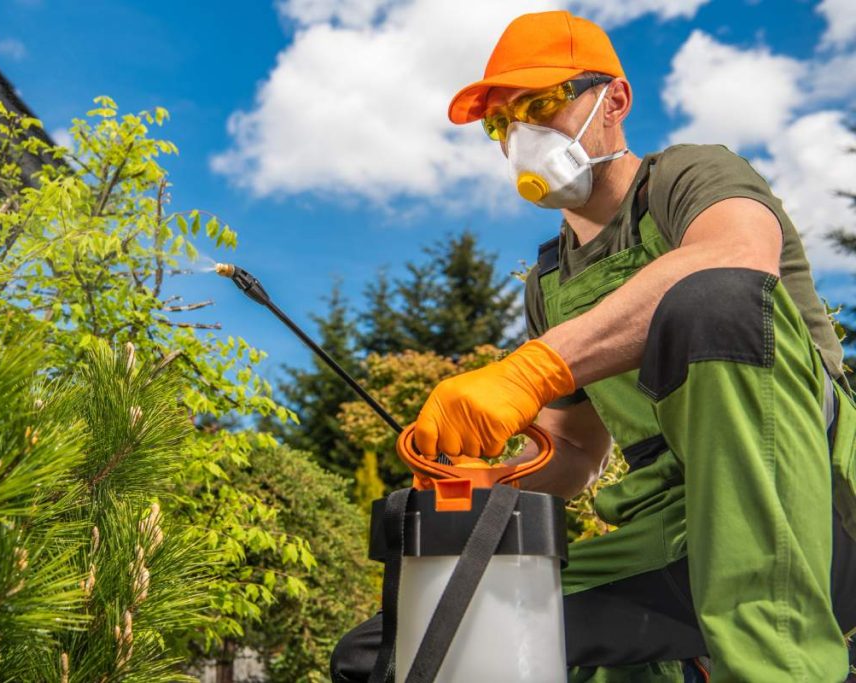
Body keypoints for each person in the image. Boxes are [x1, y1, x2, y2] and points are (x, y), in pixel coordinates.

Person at [331, 10, 856, 682]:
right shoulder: (550, 283)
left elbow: (739, 255)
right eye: (502, 123)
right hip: (665, 537)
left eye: (541, 104)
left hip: (807, 504)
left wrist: (534, 367)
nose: (518, 134)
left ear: (615, 99)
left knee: (712, 297)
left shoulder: (688, 179)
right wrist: (477, 479)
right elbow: (576, 454)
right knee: (392, 649)